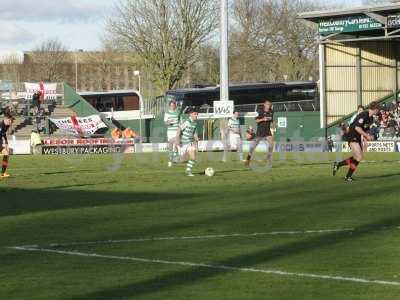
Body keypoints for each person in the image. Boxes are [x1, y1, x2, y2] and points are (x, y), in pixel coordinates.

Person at [333, 101, 380, 182]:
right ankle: (347, 176)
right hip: (352, 134)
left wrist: (366, 141)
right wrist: (367, 136)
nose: (378, 111)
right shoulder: (364, 115)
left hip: (357, 136)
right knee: (359, 156)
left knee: (357, 157)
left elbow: (365, 129)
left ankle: (339, 164)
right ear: (375, 109)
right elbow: (357, 128)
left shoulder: (371, 118)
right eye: (378, 109)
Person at [245, 100, 275, 167]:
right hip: (260, 132)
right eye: (267, 104)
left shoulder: (271, 111)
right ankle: (248, 159)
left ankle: (268, 159)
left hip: (267, 131)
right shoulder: (260, 111)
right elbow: (256, 120)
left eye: (270, 105)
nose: (269, 106)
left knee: (271, 145)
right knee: (253, 147)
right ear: (264, 104)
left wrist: (274, 125)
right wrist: (262, 119)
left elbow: (272, 120)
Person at [176, 109, 199, 177]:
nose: (196, 115)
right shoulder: (187, 121)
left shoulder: (195, 123)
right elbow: (179, 129)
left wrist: (196, 138)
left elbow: (194, 132)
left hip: (189, 142)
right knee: (181, 161)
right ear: (191, 114)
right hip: (183, 143)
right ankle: (174, 155)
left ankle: (188, 170)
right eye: (195, 114)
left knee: (193, 157)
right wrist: (177, 139)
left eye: (197, 114)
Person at [164, 100, 181, 167]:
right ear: (169, 106)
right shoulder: (167, 113)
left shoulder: (178, 112)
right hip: (170, 131)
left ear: (175, 106)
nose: (172, 106)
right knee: (171, 145)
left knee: (176, 144)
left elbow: (180, 120)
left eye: (173, 105)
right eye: (171, 105)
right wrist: (169, 122)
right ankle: (171, 157)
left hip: (176, 130)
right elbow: (165, 122)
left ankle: (175, 158)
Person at [0, 108, 14, 179]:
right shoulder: (1, 125)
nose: (12, 122)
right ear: (6, 119)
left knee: (6, 154)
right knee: (6, 153)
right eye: (11, 120)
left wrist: (6, 142)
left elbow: (3, 134)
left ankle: (2, 173)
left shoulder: (6, 126)